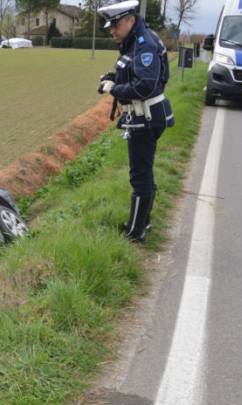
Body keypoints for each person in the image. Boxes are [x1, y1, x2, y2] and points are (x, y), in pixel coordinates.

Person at [97, 0, 175, 242]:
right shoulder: (133, 41)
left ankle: (135, 233)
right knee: (144, 171)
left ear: (130, 20)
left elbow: (145, 85)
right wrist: (113, 77)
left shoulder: (144, 45)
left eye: (115, 25)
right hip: (145, 115)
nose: (112, 31)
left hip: (147, 116)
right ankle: (143, 222)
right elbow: (134, 73)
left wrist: (115, 89)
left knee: (139, 175)